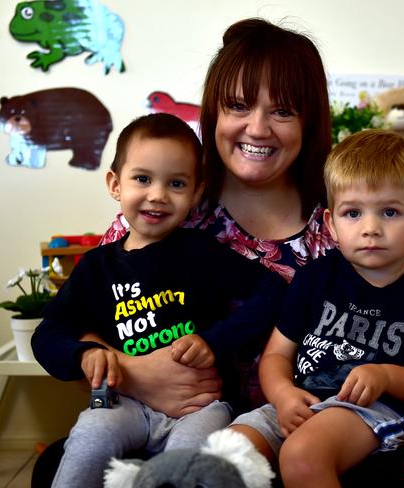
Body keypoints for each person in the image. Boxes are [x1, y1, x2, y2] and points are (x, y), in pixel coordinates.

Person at [36, 18, 404, 488]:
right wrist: (136, 375)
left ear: (309, 121)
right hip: (177, 425)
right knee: (58, 466)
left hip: (309, 432)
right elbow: (82, 328)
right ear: (214, 113)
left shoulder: (346, 221)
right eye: (238, 105)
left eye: (282, 111)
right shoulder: (166, 210)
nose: (257, 128)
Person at [31, 113, 286, 487]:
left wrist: (214, 343)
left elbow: (272, 293)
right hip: (124, 404)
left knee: (189, 465)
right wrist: (84, 355)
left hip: (200, 407)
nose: (158, 195)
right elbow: (47, 333)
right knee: (89, 439)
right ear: (115, 185)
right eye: (142, 179)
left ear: (197, 192)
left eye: (176, 183)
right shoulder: (96, 266)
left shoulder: (201, 253)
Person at [227, 129, 404, 487]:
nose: (371, 228)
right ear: (331, 224)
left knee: (302, 456)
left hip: (371, 412)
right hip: (297, 403)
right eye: (353, 213)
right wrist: (282, 395)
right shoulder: (314, 279)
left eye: (390, 212)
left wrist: (387, 376)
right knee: (226, 453)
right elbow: (276, 357)